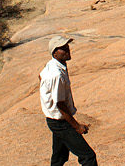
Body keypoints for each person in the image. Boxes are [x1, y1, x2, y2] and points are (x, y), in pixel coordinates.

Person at [41, 36, 97, 166]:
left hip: (54, 120)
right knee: (88, 156)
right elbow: (60, 104)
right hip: (60, 122)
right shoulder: (57, 74)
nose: (67, 49)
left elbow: (41, 76)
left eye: (67, 46)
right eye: (63, 48)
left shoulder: (53, 65)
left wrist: (46, 94)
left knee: (59, 159)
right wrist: (77, 126)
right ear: (55, 53)